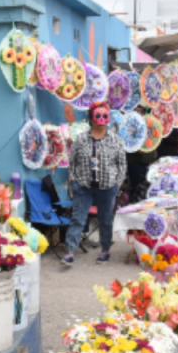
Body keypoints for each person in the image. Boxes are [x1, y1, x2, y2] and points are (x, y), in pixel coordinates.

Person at [62, 101, 126, 266]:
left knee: (105, 220)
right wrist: (75, 181)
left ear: (108, 118)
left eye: (105, 115)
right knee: (78, 219)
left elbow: (122, 164)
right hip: (84, 187)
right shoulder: (82, 139)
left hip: (107, 187)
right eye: (98, 115)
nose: (101, 118)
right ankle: (69, 252)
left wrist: (117, 183)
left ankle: (105, 250)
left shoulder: (115, 140)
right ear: (91, 118)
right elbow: (73, 161)